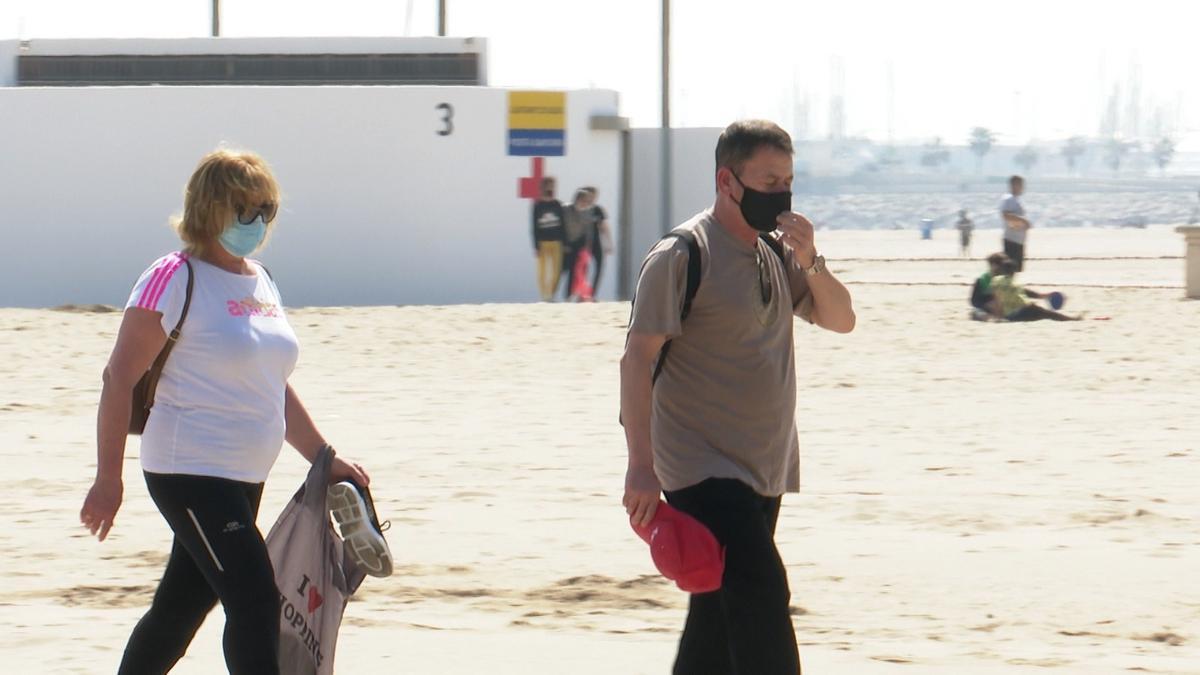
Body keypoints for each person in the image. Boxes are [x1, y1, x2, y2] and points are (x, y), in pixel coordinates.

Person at [79, 149, 373, 675]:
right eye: (247, 211)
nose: (258, 223)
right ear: (212, 208)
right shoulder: (173, 276)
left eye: (268, 210)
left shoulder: (260, 280)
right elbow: (117, 377)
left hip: (244, 476)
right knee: (256, 599)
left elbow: (273, 384)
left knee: (179, 609)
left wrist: (324, 457)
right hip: (187, 470)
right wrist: (108, 480)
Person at [621, 119, 856, 674]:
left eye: (788, 180)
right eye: (768, 179)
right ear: (728, 181)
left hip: (764, 465)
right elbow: (637, 357)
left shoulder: (775, 254)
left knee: (716, 615)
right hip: (700, 467)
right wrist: (640, 466)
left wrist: (810, 259)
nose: (781, 193)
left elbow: (842, 319)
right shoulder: (683, 254)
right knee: (762, 597)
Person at [990, 259, 1079, 321]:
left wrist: (999, 316)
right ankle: (1071, 319)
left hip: (1009, 316)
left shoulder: (995, 281)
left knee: (1042, 313)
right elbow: (1024, 296)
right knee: (1047, 313)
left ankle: (1070, 319)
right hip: (1021, 313)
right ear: (1014, 272)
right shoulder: (1015, 284)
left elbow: (996, 301)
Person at [532, 176, 566, 301]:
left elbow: (563, 224)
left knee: (557, 271)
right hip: (543, 242)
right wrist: (535, 245)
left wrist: (565, 242)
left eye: (553, 185)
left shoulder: (558, 204)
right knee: (542, 271)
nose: (551, 188)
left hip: (557, 241)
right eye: (548, 185)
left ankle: (552, 294)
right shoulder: (537, 205)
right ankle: (544, 295)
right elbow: (534, 226)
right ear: (543, 187)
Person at [561, 188, 595, 301]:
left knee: (577, 271)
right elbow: (562, 227)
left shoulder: (588, 212)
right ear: (577, 199)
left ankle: (573, 295)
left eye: (587, 201)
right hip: (567, 244)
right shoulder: (566, 209)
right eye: (583, 200)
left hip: (580, 245)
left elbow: (588, 231)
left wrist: (587, 247)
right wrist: (564, 244)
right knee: (563, 270)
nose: (585, 203)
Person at [582, 186, 613, 296]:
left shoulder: (597, 210)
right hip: (583, 243)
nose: (592, 198)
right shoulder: (580, 209)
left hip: (596, 242)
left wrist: (609, 243)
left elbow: (604, 227)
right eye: (590, 195)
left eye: (594, 196)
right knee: (582, 269)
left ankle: (592, 293)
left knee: (599, 266)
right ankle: (582, 293)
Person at [1000, 175, 1031, 271]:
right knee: (1010, 270)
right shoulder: (1009, 199)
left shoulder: (1015, 200)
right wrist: (1023, 221)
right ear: (1015, 185)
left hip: (1018, 240)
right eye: (1021, 185)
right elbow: (1006, 215)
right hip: (1012, 240)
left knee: (1015, 269)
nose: (1023, 188)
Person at [969, 252, 1009, 318]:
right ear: (993, 265)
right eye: (1001, 266)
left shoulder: (1005, 277)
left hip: (1001, 305)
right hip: (985, 304)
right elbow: (974, 301)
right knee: (977, 312)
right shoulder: (982, 279)